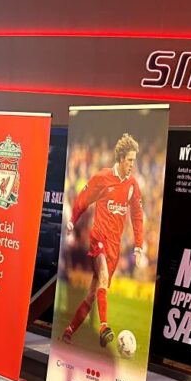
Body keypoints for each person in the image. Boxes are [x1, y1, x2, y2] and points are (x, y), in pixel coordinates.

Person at [62, 133, 145, 348]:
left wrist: (138, 246)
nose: (132, 164)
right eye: (130, 160)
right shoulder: (103, 177)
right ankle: (104, 327)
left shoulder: (132, 185)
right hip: (98, 238)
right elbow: (83, 199)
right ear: (121, 158)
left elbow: (137, 216)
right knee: (104, 277)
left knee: (93, 294)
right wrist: (72, 220)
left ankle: (69, 330)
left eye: (134, 160)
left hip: (114, 248)